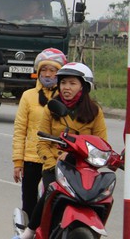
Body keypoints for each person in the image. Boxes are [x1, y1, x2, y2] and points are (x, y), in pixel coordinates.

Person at [14, 62, 107, 239]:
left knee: (99, 196)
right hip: (55, 166)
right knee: (51, 190)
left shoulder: (95, 111)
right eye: (63, 83)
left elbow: (101, 143)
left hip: (84, 167)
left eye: (72, 83)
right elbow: (42, 142)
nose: (66, 88)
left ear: (84, 86)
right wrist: (53, 162)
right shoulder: (52, 107)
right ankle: (30, 231)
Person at [11, 48, 66, 219]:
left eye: (52, 70)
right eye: (44, 69)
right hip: (31, 159)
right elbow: (20, 131)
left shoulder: (66, 98)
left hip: (57, 159)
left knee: (56, 204)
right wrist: (18, 162)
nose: (48, 74)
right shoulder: (28, 96)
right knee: (29, 204)